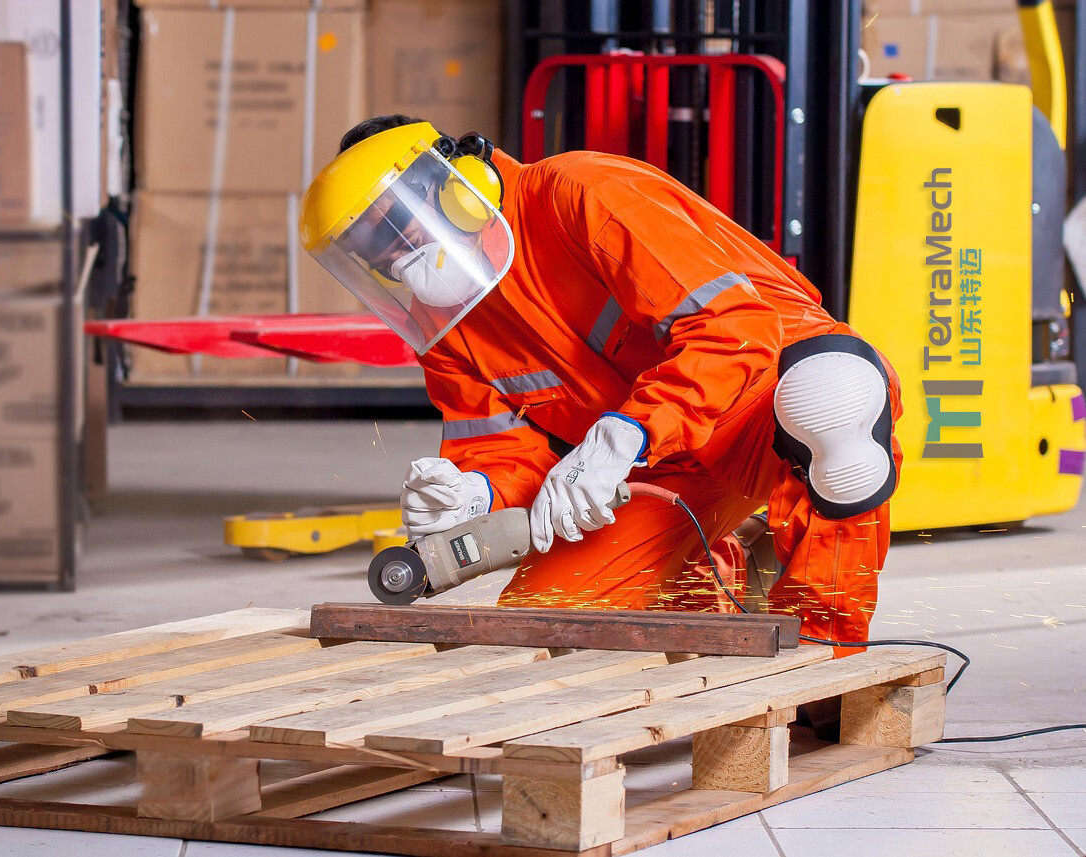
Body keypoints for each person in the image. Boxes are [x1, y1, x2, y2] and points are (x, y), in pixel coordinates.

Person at [300, 115, 903, 649]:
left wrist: (627, 433)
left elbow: (734, 329)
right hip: (651, 466)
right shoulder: (444, 322)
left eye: (395, 227)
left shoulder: (580, 192)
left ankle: (826, 662)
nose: (393, 256)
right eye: (370, 249)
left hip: (763, 396)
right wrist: (473, 493)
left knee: (831, 400)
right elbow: (503, 448)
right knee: (543, 626)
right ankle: (721, 571)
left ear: (459, 187)